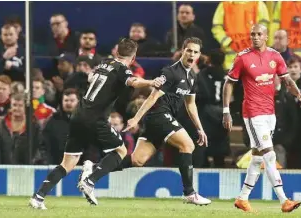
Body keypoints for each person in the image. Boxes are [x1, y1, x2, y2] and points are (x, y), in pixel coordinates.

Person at [29, 38, 163, 209]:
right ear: (133, 57)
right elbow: (134, 82)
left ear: (116, 53)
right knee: (121, 150)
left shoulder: (104, 62)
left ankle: (38, 196)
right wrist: (151, 82)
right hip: (95, 117)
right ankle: (90, 180)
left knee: (68, 162)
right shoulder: (122, 69)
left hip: (78, 114)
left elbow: (92, 76)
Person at [83, 37, 211, 205]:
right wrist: (136, 118)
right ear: (182, 50)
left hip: (162, 119)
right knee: (188, 145)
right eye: (189, 50)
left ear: (199, 55)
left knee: (138, 160)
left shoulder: (192, 77)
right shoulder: (170, 71)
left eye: (195, 52)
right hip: (159, 115)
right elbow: (152, 96)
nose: (191, 54)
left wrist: (200, 128)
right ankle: (189, 193)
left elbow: (190, 104)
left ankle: (93, 171)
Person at [222, 24, 301, 213]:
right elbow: (229, 84)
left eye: (259, 34)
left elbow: (286, 80)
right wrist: (226, 110)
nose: (255, 37)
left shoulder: (275, 56)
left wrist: (298, 93)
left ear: (266, 36)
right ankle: (284, 200)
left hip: (270, 113)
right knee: (269, 153)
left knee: (258, 158)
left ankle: (242, 198)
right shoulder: (242, 57)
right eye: (252, 34)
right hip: (253, 113)